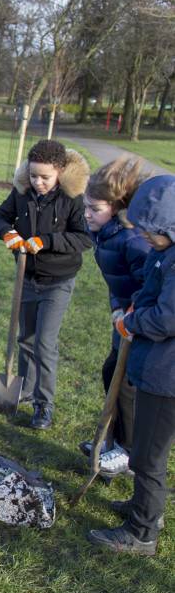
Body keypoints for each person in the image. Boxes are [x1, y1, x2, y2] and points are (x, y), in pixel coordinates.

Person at [88, 175, 175, 556]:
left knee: (148, 457)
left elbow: (167, 318)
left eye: (151, 231)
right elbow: (149, 291)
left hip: (168, 376)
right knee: (143, 450)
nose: (145, 237)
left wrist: (132, 323)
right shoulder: (164, 252)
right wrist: (134, 305)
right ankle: (145, 510)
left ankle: (142, 533)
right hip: (155, 368)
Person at [0, 140, 92, 429]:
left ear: (59, 171)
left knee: (45, 344)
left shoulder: (72, 198)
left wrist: (46, 241)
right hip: (27, 278)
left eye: (45, 177)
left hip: (58, 281)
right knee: (26, 339)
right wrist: (6, 233)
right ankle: (24, 390)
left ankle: (44, 405)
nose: (38, 182)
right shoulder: (22, 192)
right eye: (34, 175)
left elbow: (84, 238)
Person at [81, 157, 151, 474]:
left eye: (94, 208)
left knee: (127, 386)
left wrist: (132, 314)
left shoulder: (132, 240)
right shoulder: (106, 234)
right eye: (86, 206)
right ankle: (111, 441)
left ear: (115, 208)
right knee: (112, 374)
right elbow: (117, 283)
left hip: (144, 324)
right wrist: (117, 309)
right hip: (124, 320)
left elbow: (151, 283)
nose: (87, 214)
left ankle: (130, 452)